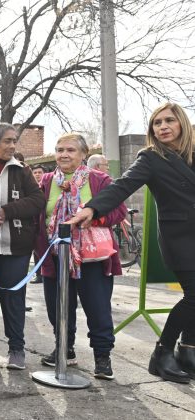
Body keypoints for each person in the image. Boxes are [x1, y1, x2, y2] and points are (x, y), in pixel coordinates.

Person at [71, 102, 195, 384]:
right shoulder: (151, 158)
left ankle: (188, 350)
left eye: (169, 121)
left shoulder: (192, 154)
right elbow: (122, 186)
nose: (162, 127)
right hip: (179, 238)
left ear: (182, 124)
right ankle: (162, 353)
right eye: (157, 123)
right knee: (194, 295)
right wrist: (92, 208)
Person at [37, 132, 126, 380]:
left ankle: (102, 357)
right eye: (59, 149)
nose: (63, 154)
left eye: (70, 150)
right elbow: (38, 215)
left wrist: (93, 218)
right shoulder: (46, 181)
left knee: (97, 308)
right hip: (55, 256)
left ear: (84, 154)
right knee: (58, 306)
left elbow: (118, 212)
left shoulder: (99, 180)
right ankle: (65, 349)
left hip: (91, 259)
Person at [0, 123, 46, 370]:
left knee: (14, 299)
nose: (12, 146)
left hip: (16, 249)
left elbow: (37, 201)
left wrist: (5, 212)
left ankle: (17, 349)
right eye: (7, 141)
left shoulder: (22, 170)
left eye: (14, 141)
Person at [30, 163, 46, 285]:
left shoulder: (47, 186)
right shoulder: (30, 186)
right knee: (36, 251)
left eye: (39, 172)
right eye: (35, 173)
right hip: (34, 223)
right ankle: (39, 274)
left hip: (45, 223)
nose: (37, 175)